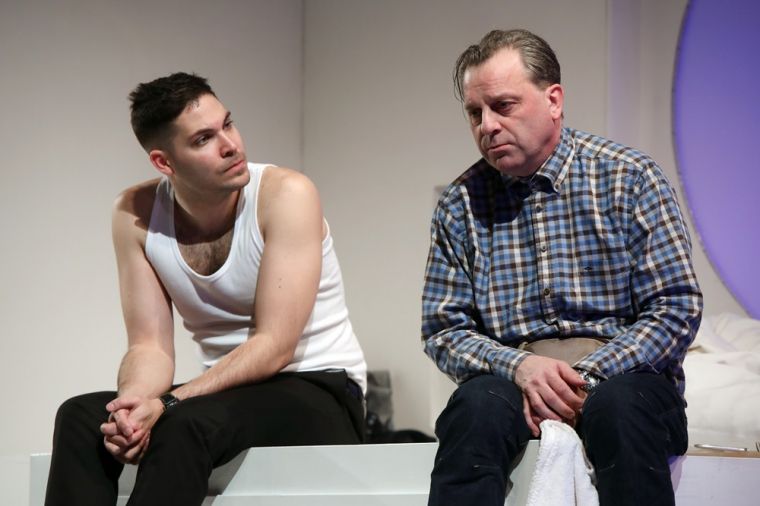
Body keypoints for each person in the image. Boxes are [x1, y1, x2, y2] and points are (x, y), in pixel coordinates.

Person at [45, 72, 367, 506]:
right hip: (224, 396)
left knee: (183, 423)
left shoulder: (287, 195)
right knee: (81, 417)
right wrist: (132, 409)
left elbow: (275, 346)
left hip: (320, 390)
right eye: (203, 139)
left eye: (228, 124)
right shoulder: (135, 214)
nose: (230, 144)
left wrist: (169, 403)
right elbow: (149, 346)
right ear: (164, 162)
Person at [422, 29, 702, 506]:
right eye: (475, 112)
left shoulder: (630, 177)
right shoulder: (460, 204)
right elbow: (444, 330)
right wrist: (521, 368)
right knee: (472, 411)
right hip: (514, 382)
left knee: (622, 409)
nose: (487, 126)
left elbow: (675, 308)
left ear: (553, 100)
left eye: (503, 106)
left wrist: (583, 379)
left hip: (625, 376)